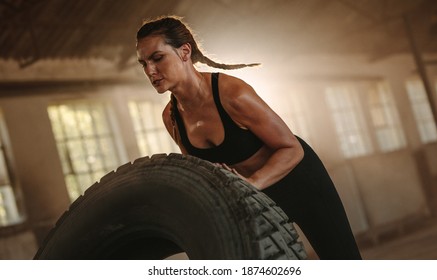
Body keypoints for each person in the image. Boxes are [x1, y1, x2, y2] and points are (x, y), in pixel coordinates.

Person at [136, 15, 362, 260]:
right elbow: (201, 175)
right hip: (252, 198)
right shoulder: (171, 118)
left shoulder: (232, 93)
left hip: (298, 181)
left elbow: (292, 149)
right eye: (143, 63)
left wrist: (250, 184)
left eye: (157, 58)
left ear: (184, 51)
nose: (150, 70)